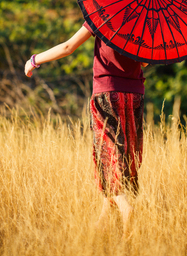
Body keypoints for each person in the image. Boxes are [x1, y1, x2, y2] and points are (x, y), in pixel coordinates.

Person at [24, 22, 147, 234]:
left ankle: (126, 208)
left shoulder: (101, 16)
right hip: (135, 95)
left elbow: (68, 47)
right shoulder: (142, 20)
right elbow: (144, 62)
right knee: (124, 156)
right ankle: (100, 230)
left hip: (107, 93)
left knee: (107, 157)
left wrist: (34, 60)